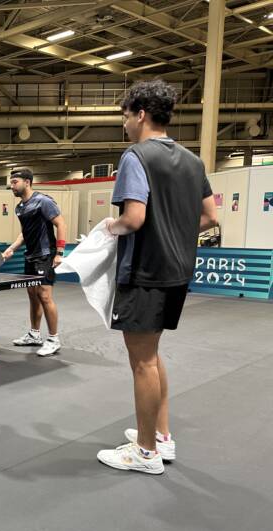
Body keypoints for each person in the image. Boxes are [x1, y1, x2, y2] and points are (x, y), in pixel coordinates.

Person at [97, 79, 218, 475]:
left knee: (142, 362)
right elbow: (209, 218)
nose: (125, 124)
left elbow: (134, 219)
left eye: (126, 116)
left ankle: (145, 452)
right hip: (178, 272)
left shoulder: (136, 156)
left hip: (146, 272)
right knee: (152, 354)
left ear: (141, 114)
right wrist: (174, 236)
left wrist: (107, 228)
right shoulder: (194, 161)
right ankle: (162, 436)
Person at [1, 168, 66, 357]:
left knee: (45, 296)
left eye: (15, 182)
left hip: (45, 255)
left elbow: (61, 224)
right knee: (32, 295)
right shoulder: (20, 207)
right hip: (30, 255)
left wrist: (59, 252)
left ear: (27, 182)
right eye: (11, 182)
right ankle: (34, 334)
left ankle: (54, 339)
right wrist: (12, 248)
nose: (12, 186)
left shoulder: (43, 201)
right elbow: (24, 233)